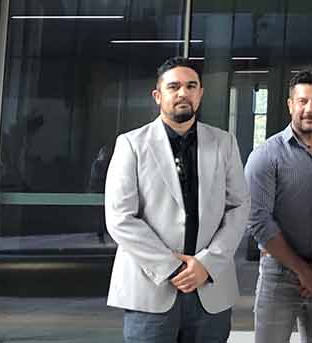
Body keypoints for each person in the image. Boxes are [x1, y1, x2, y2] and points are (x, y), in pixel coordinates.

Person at [105, 58, 248, 343]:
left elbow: (239, 207)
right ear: (158, 96)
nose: (183, 93)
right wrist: (173, 267)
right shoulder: (131, 144)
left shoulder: (224, 143)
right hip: (150, 290)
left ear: (200, 94)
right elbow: (120, 217)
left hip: (211, 287)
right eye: (174, 87)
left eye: (190, 86)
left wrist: (206, 264)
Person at [245, 70, 312, 343]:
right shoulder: (265, 156)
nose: (310, 109)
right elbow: (258, 221)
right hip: (278, 276)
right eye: (303, 101)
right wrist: (303, 272)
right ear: (290, 104)